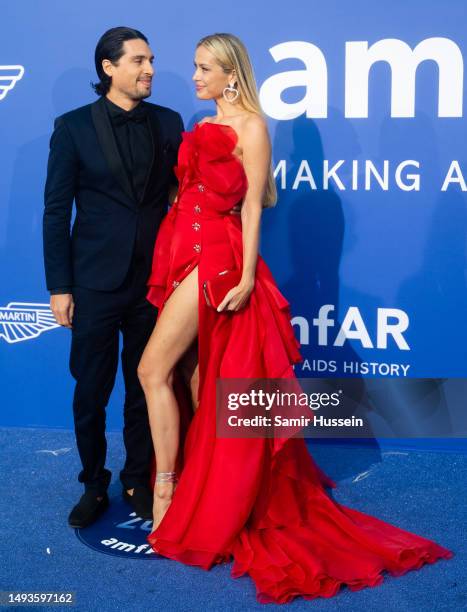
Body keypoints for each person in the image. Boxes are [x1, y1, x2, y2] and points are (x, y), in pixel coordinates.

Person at [137, 33, 452, 604]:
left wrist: (249, 274)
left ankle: (166, 489)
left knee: (152, 370)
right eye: (194, 67)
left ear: (232, 73)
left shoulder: (252, 126)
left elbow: (256, 202)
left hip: (218, 261)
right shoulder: (204, 123)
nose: (194, 77)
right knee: (197, 379)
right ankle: (203, 494)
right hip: (183, 250)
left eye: (204, 68)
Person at [43, 27, 184, 528]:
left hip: (154, 283)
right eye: (139, 61)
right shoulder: (74, 126)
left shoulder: (169, 122)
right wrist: (59, 286)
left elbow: (179, 198)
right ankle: (94, 482)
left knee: (147, 385)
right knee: (91, 390)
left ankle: (137, 478)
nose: (149, 69)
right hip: (94, 283)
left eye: (151, 60)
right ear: (109, 67)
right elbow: (56, 210)